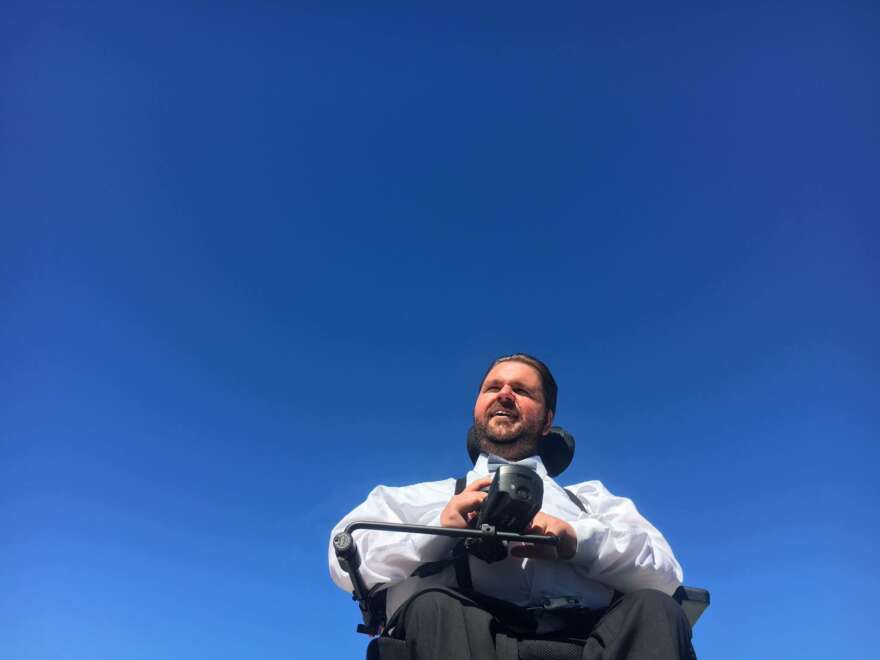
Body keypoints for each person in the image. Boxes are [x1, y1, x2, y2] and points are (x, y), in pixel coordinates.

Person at [329, 354, 696, 659]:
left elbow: (664, 576)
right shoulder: (419, 497)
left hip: (590, 644)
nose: (505, 395)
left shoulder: (593, 500)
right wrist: (439, 529)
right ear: (477, 407)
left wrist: (579, 541)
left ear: (548, 420)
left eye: (521, 390)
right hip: (460, 641)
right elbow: (344, 556)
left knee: (656, 609)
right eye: (493, 387)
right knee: (434, 606)